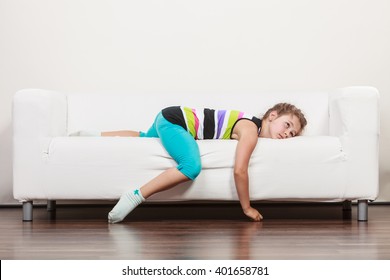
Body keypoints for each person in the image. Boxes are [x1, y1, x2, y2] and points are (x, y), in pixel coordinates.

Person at [72, 103, 307, 223]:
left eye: (293, 134)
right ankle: (135, 196)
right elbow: (240, 170)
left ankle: (93, 135)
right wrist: (247, 207)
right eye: (287, 125)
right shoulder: (250, 129)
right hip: (174, 120)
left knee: (144, 138)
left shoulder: (250, 125)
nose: (288, 134)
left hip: (169, 114)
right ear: (273, 115)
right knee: (191, 166)